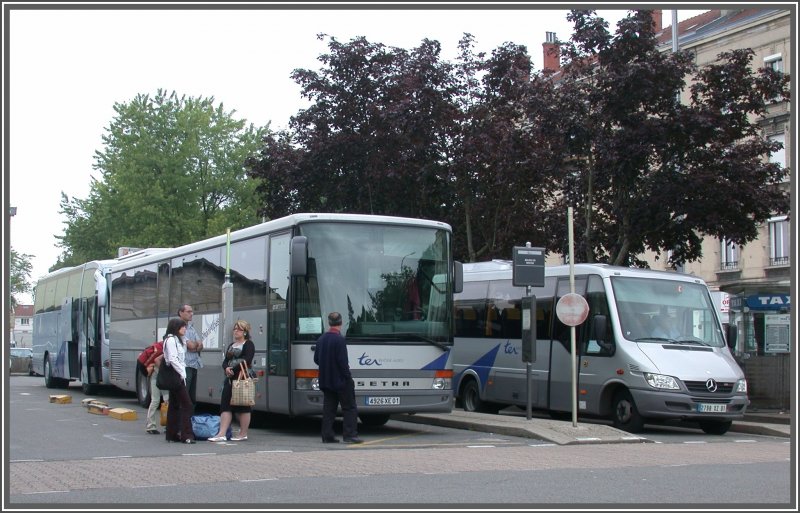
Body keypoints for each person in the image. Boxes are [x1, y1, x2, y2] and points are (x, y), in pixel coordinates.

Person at [313, 312, 362, 444]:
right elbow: (342, 363)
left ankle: (327, 435)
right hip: (340, 381)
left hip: (326, 380)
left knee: (329, 409)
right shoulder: (339, 340)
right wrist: (348, 377)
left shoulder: (321, 339)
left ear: (329, 323)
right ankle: (350, 435)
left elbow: (316, 359)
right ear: (341, 322)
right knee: (349, 407)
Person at [208, 320, 255, 443]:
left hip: (242, 377)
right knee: (225, 405)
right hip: (229, 379)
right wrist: (226, 368)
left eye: (238, 329)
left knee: (243, 406)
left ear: (245, 332)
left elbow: (247, 360)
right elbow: (225, 361)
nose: (236, 331)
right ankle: (221, 433)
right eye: (234, 329)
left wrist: (233, 369)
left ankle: (243, 433)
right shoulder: (231, 345)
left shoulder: (249, 344)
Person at [163, 317, 196, 444]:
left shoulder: (179, 339)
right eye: (182, 326)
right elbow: (172, 359)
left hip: (177, 374)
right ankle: (186, 435)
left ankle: (171, 434)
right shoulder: (171, 340)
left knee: (174, 405)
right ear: (176, 327)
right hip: (176, 375)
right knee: (187, 405)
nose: (185, 328)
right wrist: (182, 373)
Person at [178, 304, 203, 413]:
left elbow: (201, 345)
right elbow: (192, 346)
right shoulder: (178, 328)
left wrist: (195, 346)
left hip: (194, 364)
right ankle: (180, 424)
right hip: (185, 366)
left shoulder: (191, 328)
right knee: (184, 396)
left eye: (192, 311)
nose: (191, 314)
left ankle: (189, 423)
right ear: (181, 313)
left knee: (192, 397)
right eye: (188, 311)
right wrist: (195, 346)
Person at [143, 340, 167, 434]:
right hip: (162, 377)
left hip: (154, 376)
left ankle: (151, 426)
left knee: (155, 400)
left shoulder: (162, 346)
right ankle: (167, 425)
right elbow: (157, 361)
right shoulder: (169, 348)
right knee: (167, 400)